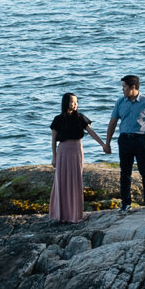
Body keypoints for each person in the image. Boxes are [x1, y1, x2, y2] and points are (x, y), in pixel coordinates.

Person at [102, 74, 145, 211]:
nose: (122, 90)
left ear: (132, 87)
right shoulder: (120, 102)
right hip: (124, 140)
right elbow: (112, 123)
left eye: (124, 87)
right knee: (125, 172)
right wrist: (107, 143)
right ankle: (125, 203)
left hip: (141, 140)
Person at [49, 93, 93, 223]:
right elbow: (53, 140)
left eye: (76, 102)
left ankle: (75, 215)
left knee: (75, 181)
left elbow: (91, 132)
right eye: (72, 102)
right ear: (65, 103)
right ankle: (60, 214)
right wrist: (54, 156)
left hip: (76, 150)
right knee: (61, 181)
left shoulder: (80, 118)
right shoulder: (58, 119)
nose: (75, 104)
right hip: (62, 150)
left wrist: (103, 144)